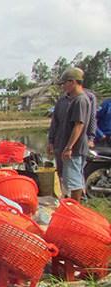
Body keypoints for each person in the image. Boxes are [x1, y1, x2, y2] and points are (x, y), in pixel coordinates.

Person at [45, 67, 92, 200]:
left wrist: (69, 147)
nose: (63, 86)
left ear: (72, 82)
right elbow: (56, 122)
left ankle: (75, 207)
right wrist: (51, 141)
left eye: (64, 83)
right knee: (63, 176)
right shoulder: (63, 101)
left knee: (74, 180)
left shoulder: (81, 100)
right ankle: (66, 202)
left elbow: (79, 125)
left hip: (74, 149)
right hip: (61, 145)